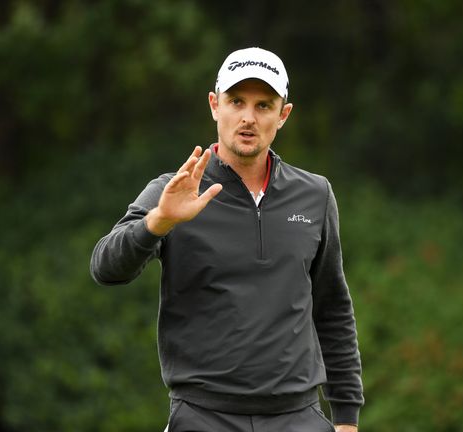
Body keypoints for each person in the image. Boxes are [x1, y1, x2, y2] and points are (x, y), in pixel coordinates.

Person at [90, 47, 363, 432]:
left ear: (283, 115)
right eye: (237, 101)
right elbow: (105, 267)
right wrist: (159, 222)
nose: (248, 117)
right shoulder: (174, 190)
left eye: (264, 105)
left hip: (298, 416)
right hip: (202, 415)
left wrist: (347, 418)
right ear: (215, 105)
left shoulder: (315, 195)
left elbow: (333, 308)